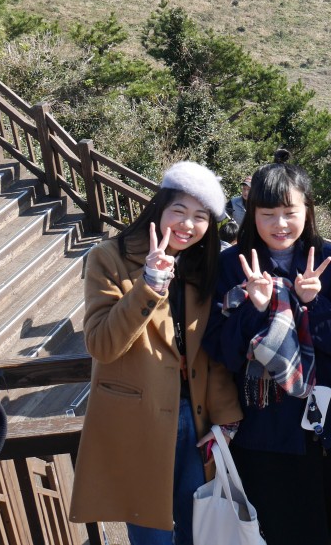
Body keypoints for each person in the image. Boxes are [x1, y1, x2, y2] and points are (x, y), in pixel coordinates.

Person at [70, 161, 242, 545]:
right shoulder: (109, 258)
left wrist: (227, 420)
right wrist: (148, 285)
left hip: (194, 419)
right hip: (139, 419)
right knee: (152, 537)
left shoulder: (202, 267)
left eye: (200, 217)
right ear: (159, 207)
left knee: (198, 531)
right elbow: (101, 344)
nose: (187, 224)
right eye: (179, 210)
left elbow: (208, 355)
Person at [203, 152, 331, 545]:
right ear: (252, 214)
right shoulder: (231, 266)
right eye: (268, 214)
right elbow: (223, 351)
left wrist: (314, 303)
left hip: (325, 426)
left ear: (307, 210)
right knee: (278, 530)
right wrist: (255, 309)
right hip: (263, 428)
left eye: (289, 212)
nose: (280, 224)